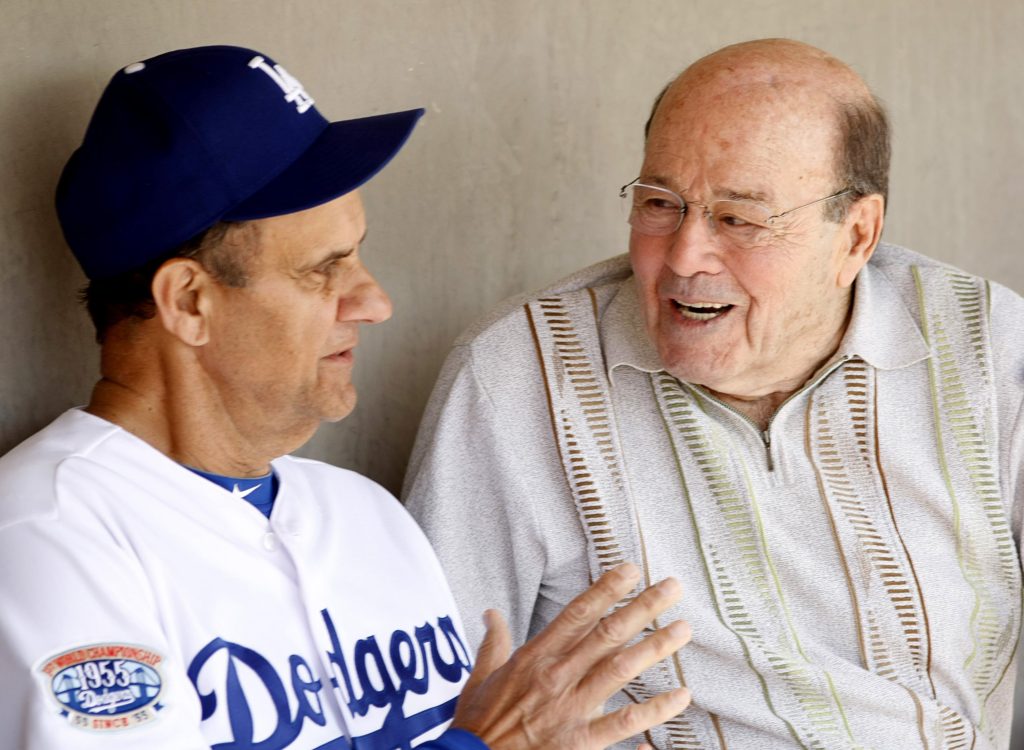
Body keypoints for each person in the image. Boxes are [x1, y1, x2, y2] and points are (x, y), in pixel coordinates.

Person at [0, 45, 694, 749]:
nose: (375, 302)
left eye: (358, 256)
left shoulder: (366, 518)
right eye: (323, 270)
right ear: (189, 302)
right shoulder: (43, 537)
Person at [404, 38, 1024, 750]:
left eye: (740, 219)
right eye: (660, 203)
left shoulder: (988, 346)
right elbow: (440, 711)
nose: (683, 256)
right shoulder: (516, 375)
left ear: (857, 236)